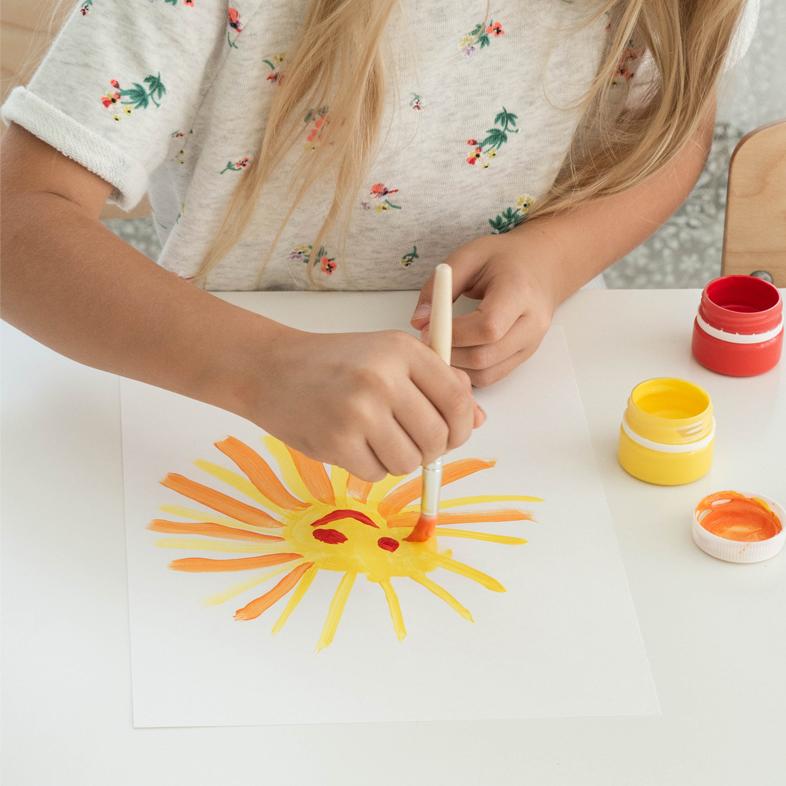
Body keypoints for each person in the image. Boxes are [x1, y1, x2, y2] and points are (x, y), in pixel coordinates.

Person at [0, 0, 757, 481]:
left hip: (542, 401)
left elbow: (674, 128)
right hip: (213, 382)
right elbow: (20, 218)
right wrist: (259, 368)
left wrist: (558, 254)